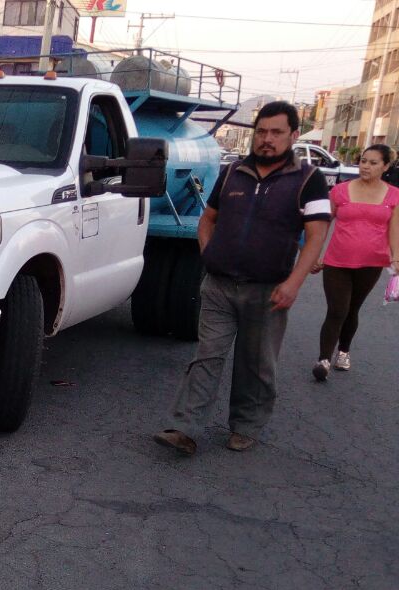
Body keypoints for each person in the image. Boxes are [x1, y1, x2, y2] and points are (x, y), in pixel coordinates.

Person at [155, 101, 331, 455]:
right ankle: (185, 428)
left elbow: (316, 235)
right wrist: (208, 253)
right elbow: (208, 219)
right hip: (219, 285)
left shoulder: (309, 179)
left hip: (268, 290)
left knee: (257, 363)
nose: (267, 140)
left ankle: (246, 425)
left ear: (294, 135)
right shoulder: (234, 171)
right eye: (261, 132)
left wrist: (294, 282)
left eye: (276, 133)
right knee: (206, 355)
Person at [311, 143, 399, 380]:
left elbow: (394, 229)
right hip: (337, 261)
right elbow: (322, 224)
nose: (366, 166)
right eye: (363, 161)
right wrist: (314, 254)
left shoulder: (393, 195)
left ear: (385, 166)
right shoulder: (339, 191)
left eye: (373, 163)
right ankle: (323, 359)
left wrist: (396, 257)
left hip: (371, 263)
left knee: (353, 309)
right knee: (337, 309)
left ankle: (344, 351)